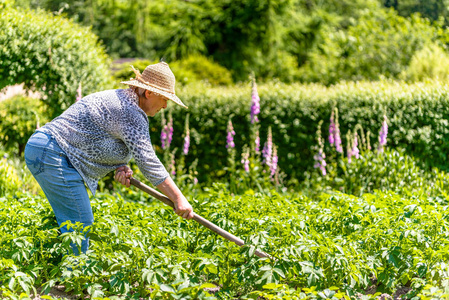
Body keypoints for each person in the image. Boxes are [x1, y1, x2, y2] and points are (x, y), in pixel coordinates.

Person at [24, 62, 194, 255]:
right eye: (164, 99)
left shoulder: (124, 100)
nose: (165, 106)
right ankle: (75, 279)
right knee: (80, 220)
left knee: (72, 219)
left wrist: (119, 165)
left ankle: (53, 264)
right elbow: (148, 162)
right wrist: (178, 198)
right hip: (52, 152)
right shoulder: (131, 112)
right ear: (149, 93)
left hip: (46, 149)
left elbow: (98, 137)